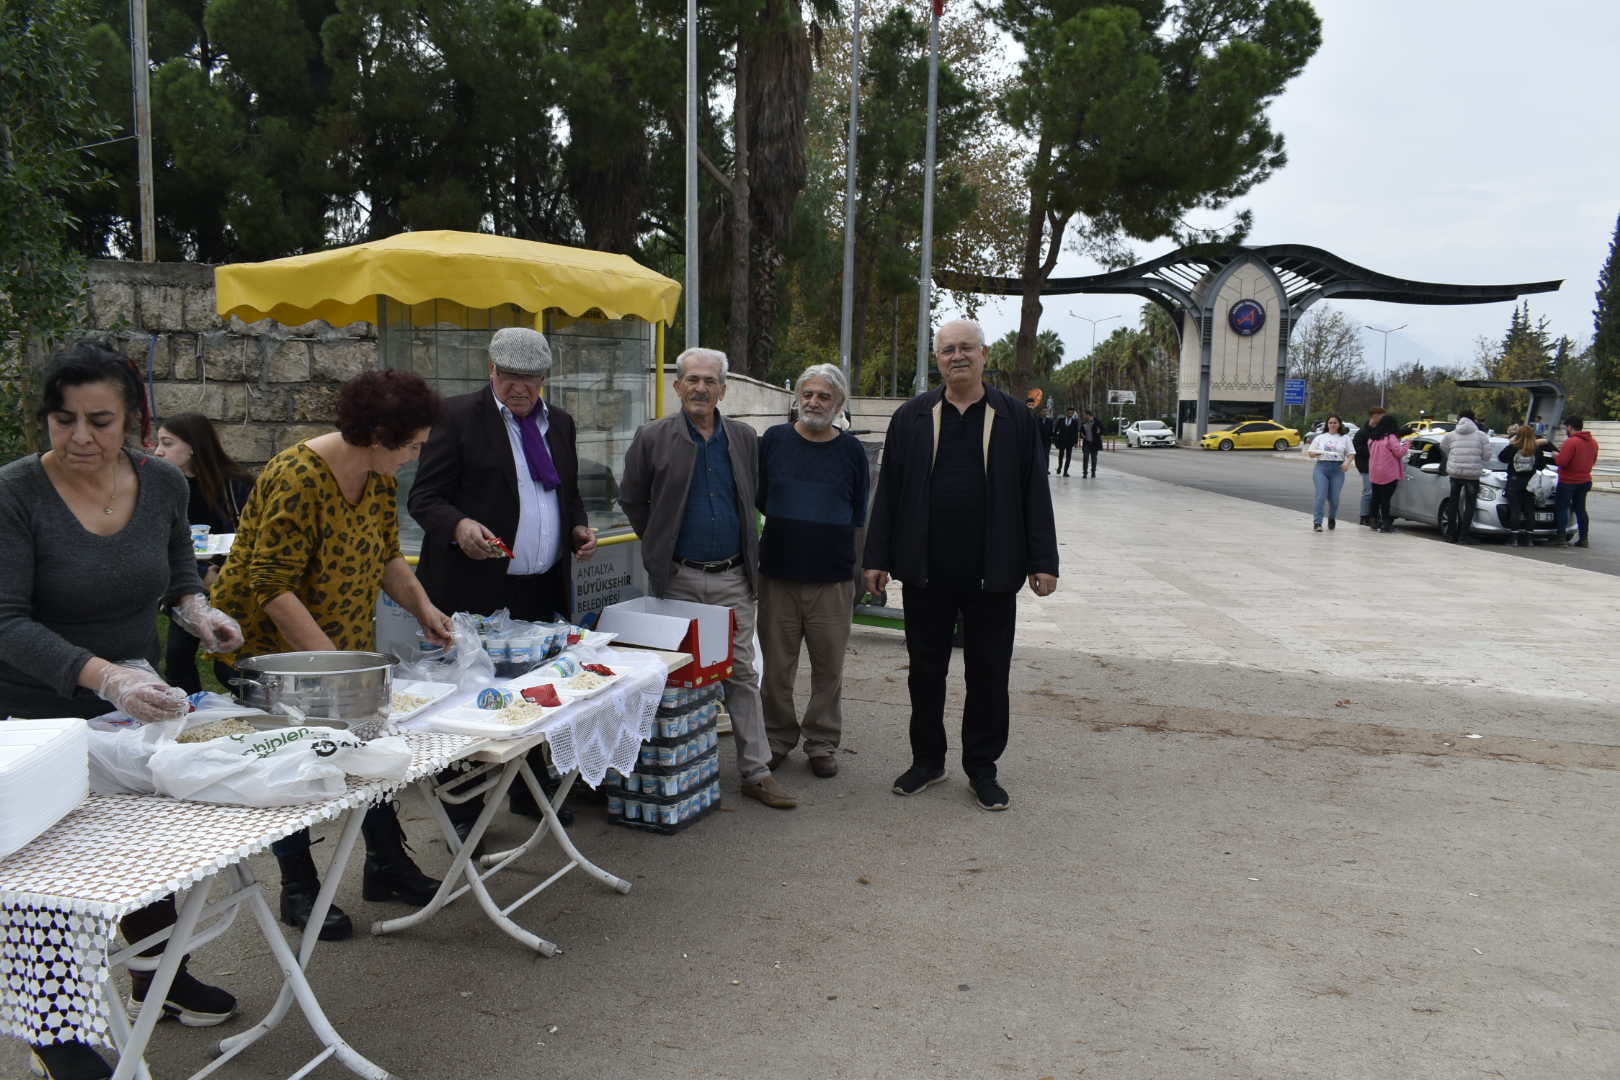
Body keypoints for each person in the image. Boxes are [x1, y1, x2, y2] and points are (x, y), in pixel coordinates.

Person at [0, 344, 245, 1080]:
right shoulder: (14, 493)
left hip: (127, 699)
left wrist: (201, 614)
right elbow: (4, 620)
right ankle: (57, 1037)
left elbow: (175, 574)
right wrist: (104, 677)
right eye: (64, 419)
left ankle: (159, 981)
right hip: (26, 713)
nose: (80, 437)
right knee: (46, 882)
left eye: (99, 420)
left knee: (146, 851)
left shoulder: (164, 482)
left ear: (133, 420)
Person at [211, 370, 453, 941]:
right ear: (376, 433)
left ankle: (385, 864)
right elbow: (271, 586)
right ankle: (299, 887)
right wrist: (338, 671)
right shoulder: (298, 477)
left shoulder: (377, 477)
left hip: (338, 645)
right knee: (293, 768)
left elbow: (389, 557)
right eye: (412, 444)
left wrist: (424, 608)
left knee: (368, 749)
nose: (417, 455)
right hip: (272, 652)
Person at [862, 318, 1059, 812]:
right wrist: (877, 557)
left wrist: (1043, 560)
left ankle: (982, 768)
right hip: (925, 571)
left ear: (984, 354)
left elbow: (1035, 491)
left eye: (966, 348)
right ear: (938, 359)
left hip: (993, 571)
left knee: (988, 675)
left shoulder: (1015, 416)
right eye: (948, 349)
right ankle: (927, 761)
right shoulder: (912, 416)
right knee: (924, 673)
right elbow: (889, 494)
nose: (957, 356)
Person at [408, 327, 597, 833]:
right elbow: (424, 499)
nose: (521, 388)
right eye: (511, 377)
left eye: (532, 379)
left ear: (545, 379)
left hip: (537, 586)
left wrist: (576, 526)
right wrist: (459, 526)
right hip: (472, 586)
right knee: (472, 697)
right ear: (490, 370)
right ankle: (464, 810)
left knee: (536, 691)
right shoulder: (455, 418)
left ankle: (530, 789)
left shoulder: (559, 423)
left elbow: (566, 493)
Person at [619, 347, 797, 810]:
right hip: (678, 579)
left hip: (734, 579)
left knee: (741, 674)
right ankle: (675, 770)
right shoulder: (652, 437)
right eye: (692, 380)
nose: (701, 388)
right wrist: (661, 544)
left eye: (710, 381)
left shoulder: (741, 437)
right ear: (677, 386)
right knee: (680, 677)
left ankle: (756, 772)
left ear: (723, 388)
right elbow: (633, 498)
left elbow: (757, 495)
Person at [756, 363, 868, 779]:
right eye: (808, 394)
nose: (814, 402)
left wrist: (860, 572)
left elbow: (859, 510)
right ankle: (777, 738)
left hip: (833, 577)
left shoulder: (852, 450)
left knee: (828, 666)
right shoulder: (774, 441)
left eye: (824, 396)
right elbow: (762, 496)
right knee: (777, 666)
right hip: (779, 574)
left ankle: (821, 742)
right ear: (796, 398)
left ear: (838, 404)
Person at [152, 413, 256, 692]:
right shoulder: (160, 489)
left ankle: (252, 710)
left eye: (167, 443)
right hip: (187, 585)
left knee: (229, 665)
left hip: (233, 582)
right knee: (177, 658)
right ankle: (189, 715)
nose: (158, 451)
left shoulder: (237, 484)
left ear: (193, 446)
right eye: (158, 443)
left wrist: (224, 573)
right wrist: (201, 574)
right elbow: (159, 542)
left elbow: (254, 536)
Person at [1498, 424, 1554, 547]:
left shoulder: (1513, 448)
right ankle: (1529, 538)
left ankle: (1514, 538)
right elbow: (1541, 466)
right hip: (1531, 482)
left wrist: (1512, 443)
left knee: (1515, 510)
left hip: (1514, 481)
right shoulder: (1536, 449)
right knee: (1529, 510)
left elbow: (1501, 457)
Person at [1440, 410, 1491, 543]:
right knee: (1470, 505)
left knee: (1453, 502)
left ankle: (1451, 534)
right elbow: (1487, 456)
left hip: (1455, 473)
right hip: (1472, 475)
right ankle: (1464, 535)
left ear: (1459, 418)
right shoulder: (1481, 436)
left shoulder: (1451, 435)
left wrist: (1452, 457)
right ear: (1474, 419)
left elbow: (1443, 447)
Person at [1551, 414, 1598, 547]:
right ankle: (1584, 539)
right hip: (1585, 480)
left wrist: (1556, 455)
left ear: (1570, 427)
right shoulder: (1593, 442)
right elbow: (1593, 461)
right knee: (1580, 509)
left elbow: (1562, 461)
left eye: (1566, 427)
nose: (1566, 430)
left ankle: (1561, 539)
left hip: (1568, 481)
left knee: (1563, 508)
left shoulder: (1571, 442)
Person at [1305, 413, 1353, 531]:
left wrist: (1347, 463)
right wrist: (1318, 453)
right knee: (1321, 495)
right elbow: (1310, 453)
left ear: (1339, 424)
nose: (1332, 425)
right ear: (1327, 424)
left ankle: (1332, 518)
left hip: (1337, 469)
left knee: (1334, 498)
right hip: (1322, 467)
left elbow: (1351, 453)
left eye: (1335, 423)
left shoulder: (1345, 438)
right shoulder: (1321, 437)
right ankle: (1317, 523)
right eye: (1330, 422)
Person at [1365, 413, 1406, 533]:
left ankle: (1373, 520)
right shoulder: (1391, 437)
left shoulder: (1373, 437)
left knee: (1375, 497)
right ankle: (1386, 523)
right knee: (1385, 499)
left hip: (1374, 471)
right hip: (1388, 472)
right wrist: (1407, 444)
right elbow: (1399, 452)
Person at [1352, 406, 1387, 526]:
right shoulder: (1362, 432)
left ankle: (1374, 515)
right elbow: (1357, 448)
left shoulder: (1382, 431)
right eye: (1381, 416)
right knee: (1368, 491)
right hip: (1366, 466)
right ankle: (1364, 516)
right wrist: (1374, 452)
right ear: (1374, 416)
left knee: (1377, 493)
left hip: (1379, 466)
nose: (1383, 418)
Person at [1053, 407, 1081, 477]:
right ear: (1066, 413)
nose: (1070, 414)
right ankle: (1059, 467)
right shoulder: (1061, 420)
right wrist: (1055, 439)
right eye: (1069, 412)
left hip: (1070, 442)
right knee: (1061, 455)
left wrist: (1075, 442)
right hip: (1062, 441)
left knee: (1068, 457)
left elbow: (1075, 433)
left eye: (1071, 413)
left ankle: (1065, 471)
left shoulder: (1075, 422)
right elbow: (1056, 430)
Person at [1078, 409, 1104, 477]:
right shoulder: (1083, 423)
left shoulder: (1096, 422)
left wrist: (1099, 432)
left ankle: (1093, 472)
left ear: (1088, 415)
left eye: (1084, 414)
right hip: (1086, 443)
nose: (1083, 416)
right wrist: (1082, 435)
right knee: (1085, 458)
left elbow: (1103, 429)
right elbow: (1081, 433)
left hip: (1094, 443)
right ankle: (1085, 473)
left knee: (1094, 458)